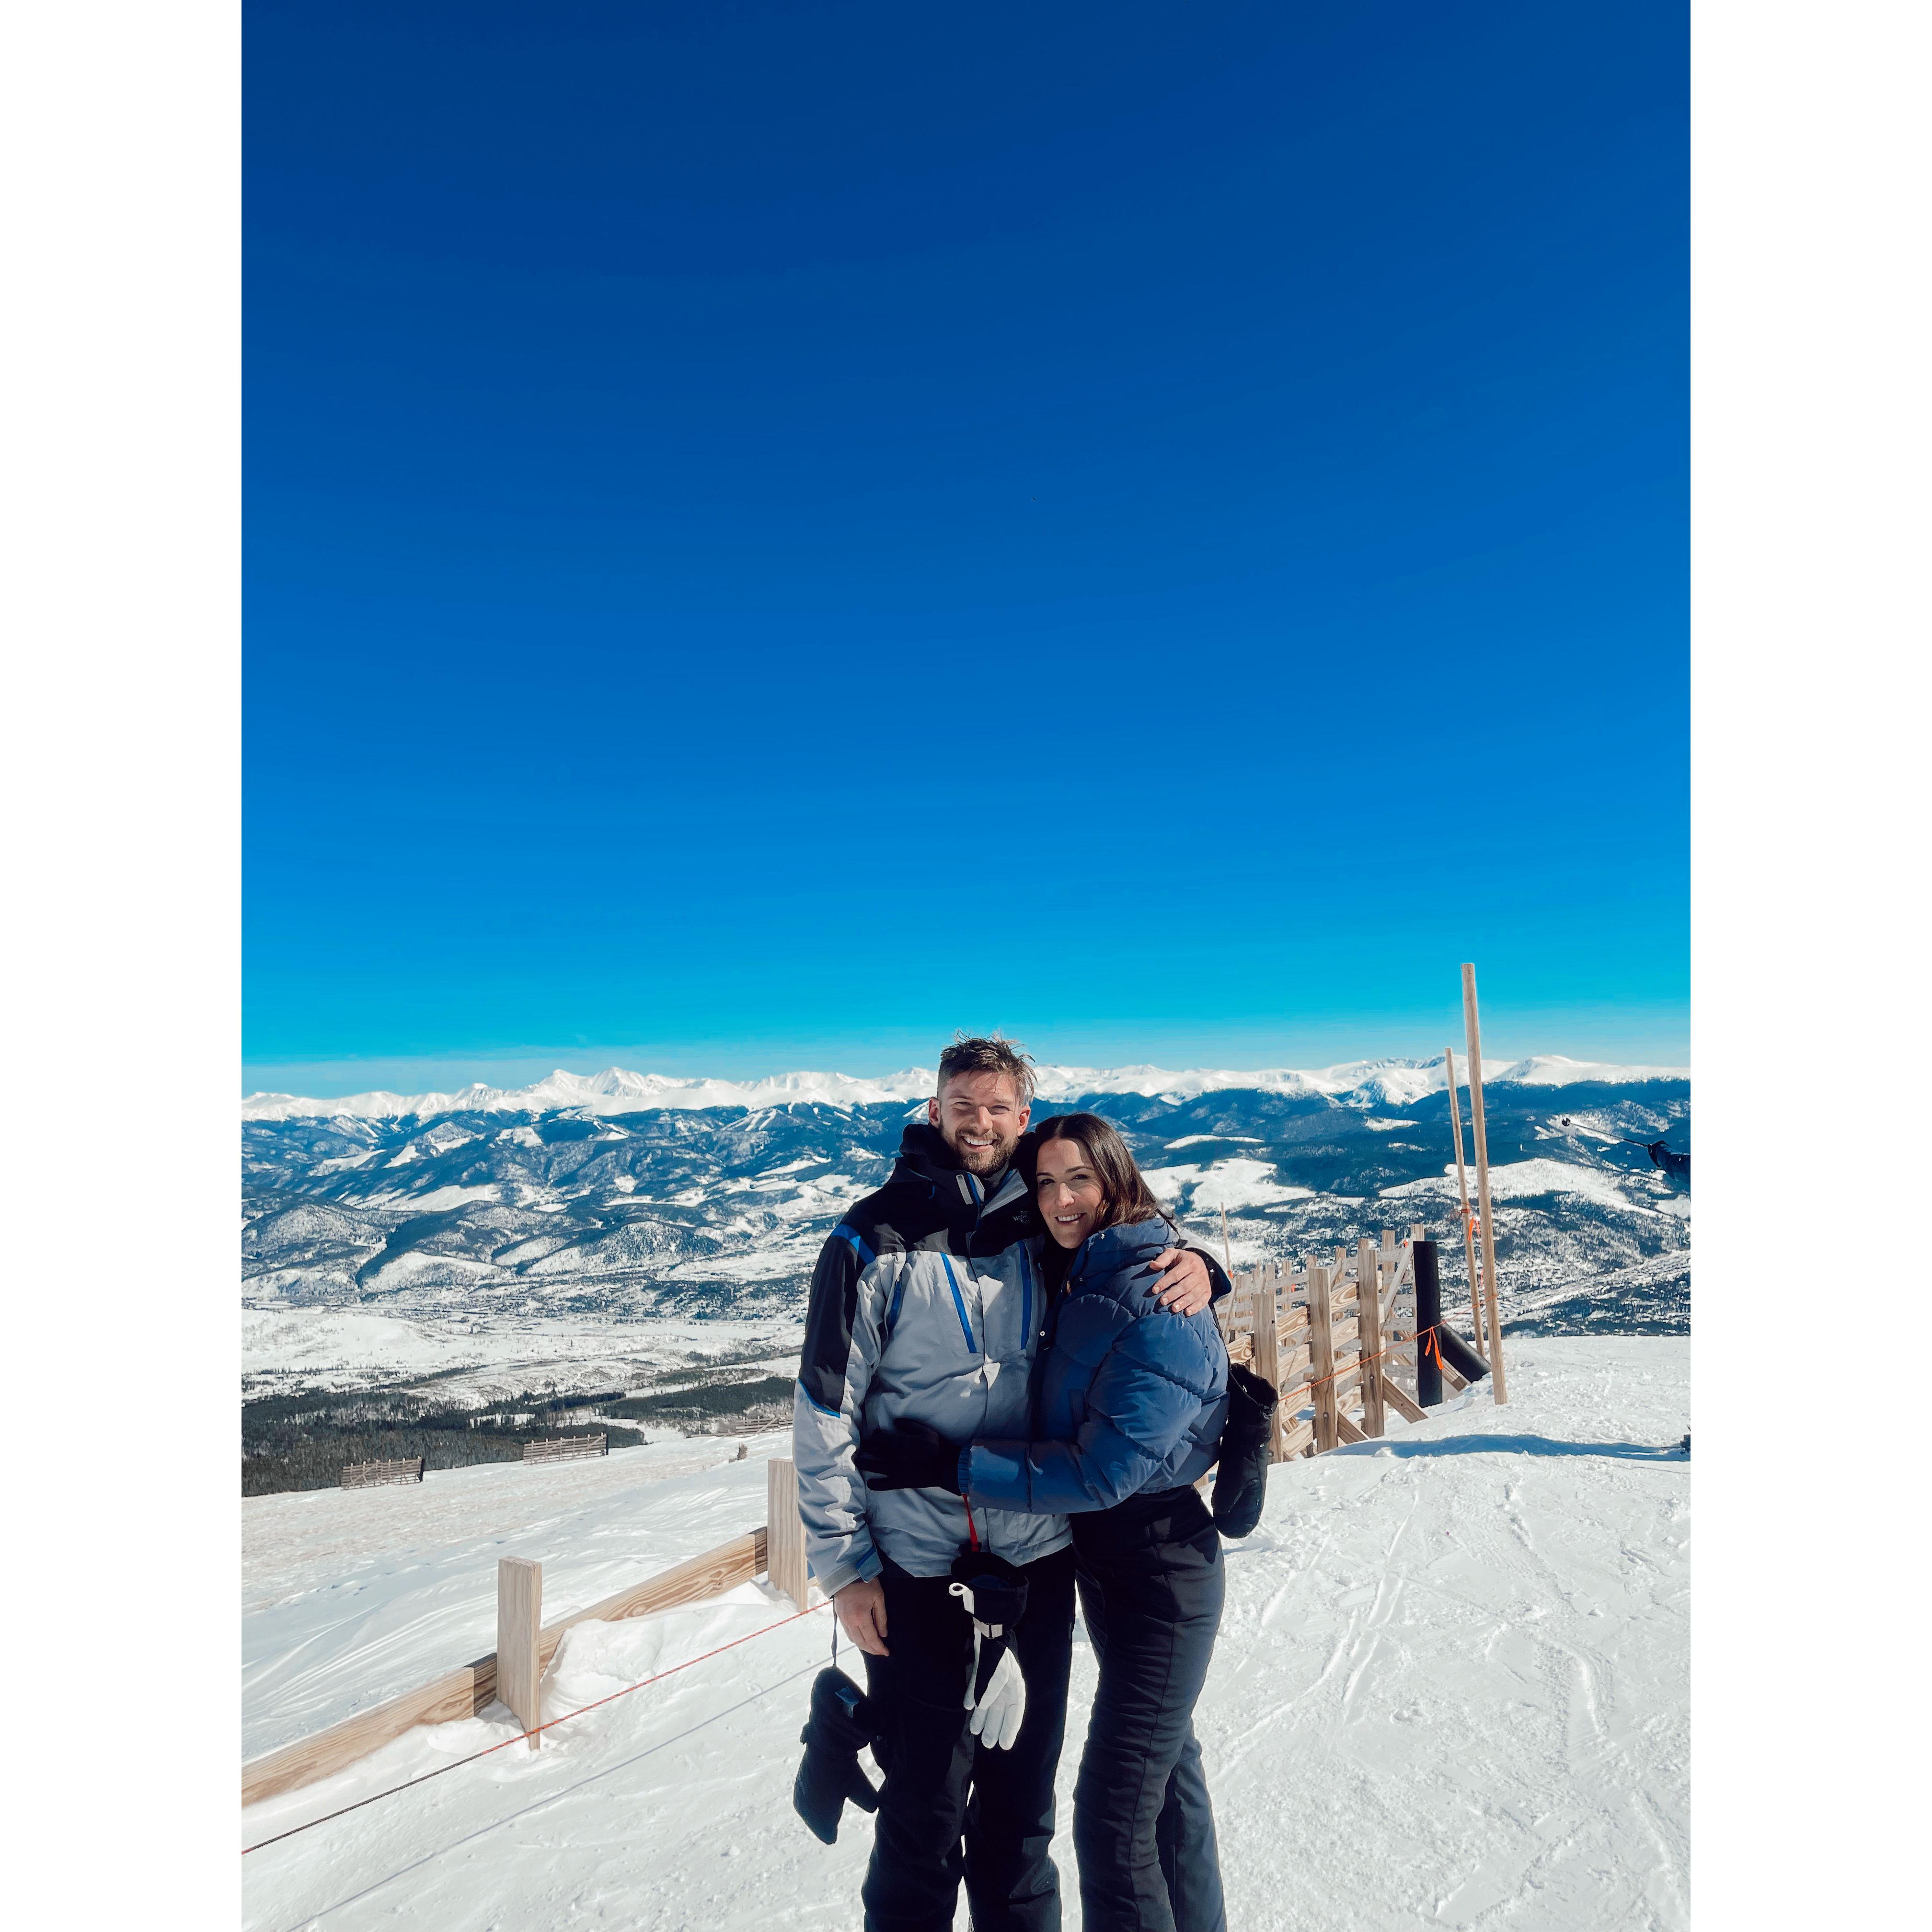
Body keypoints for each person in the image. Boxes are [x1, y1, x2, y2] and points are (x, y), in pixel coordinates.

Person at [794, 1037, 1226, 1932]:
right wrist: (844, 1571)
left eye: (998, 1108)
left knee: (1022, 1820)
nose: (980, 1122)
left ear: (1022, 1119)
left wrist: (1204, 1267)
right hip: (916, 1567)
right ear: (935, 1109)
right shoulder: (872, 1236)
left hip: (1035, 1566)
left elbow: (1128, 1262)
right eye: (964, 1104)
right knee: (921, 1818)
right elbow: (825, 1410)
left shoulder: (1043, 1225)